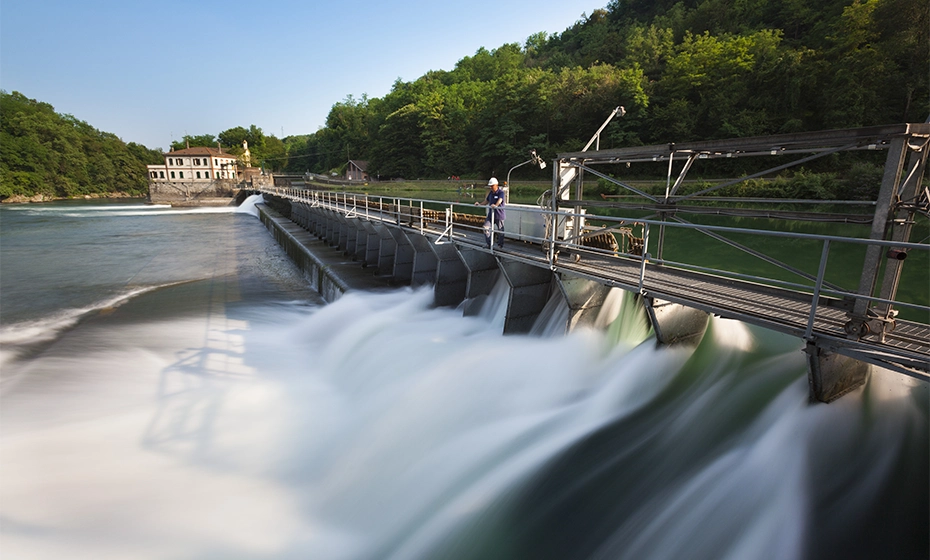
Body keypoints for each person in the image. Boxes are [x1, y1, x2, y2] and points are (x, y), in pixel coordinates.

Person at [475, 177, 505, 248]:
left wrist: (496, 205)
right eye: (490, 186)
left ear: (496, 185)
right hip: (491, 215)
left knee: (500, 230)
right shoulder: (491, 193)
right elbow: (486, 201)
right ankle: (489, 244)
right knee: (485, 228)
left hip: (499, 215)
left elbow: (500, 200)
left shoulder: (501, 193)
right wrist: (479, 204)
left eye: (492, 186)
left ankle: (500, 245)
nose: (491, 187)